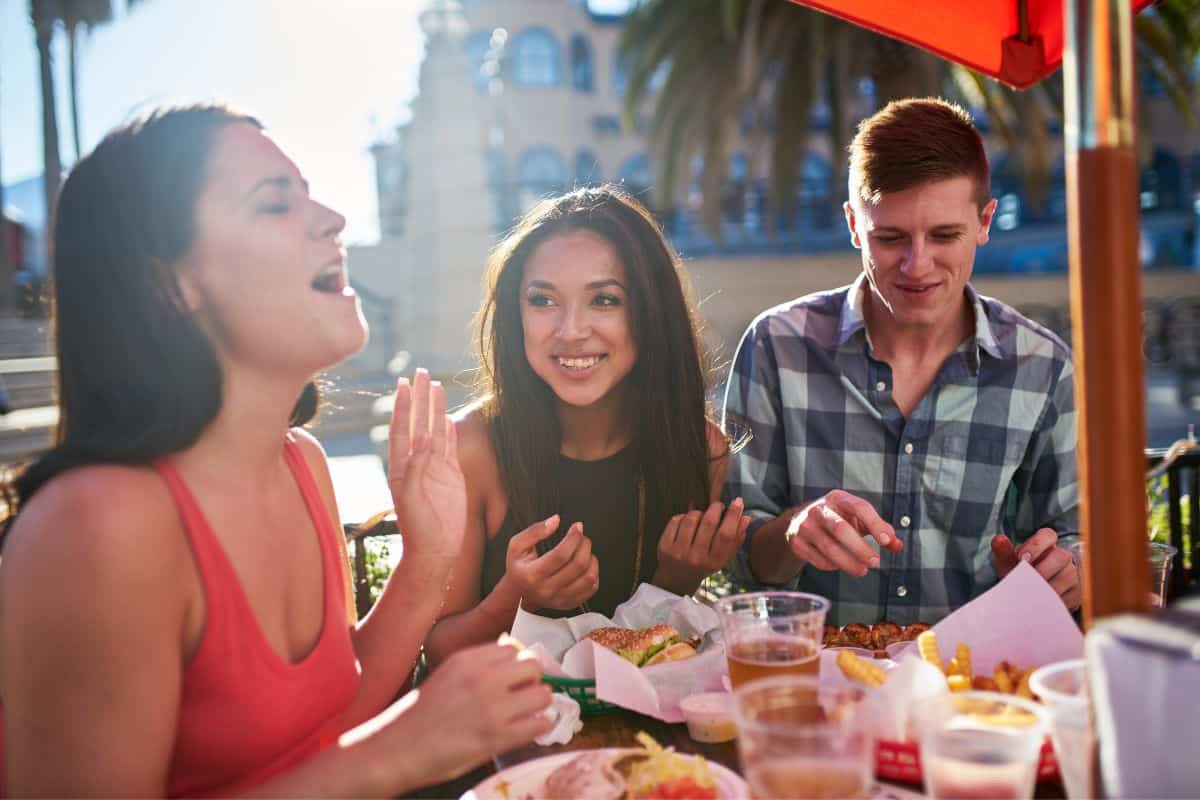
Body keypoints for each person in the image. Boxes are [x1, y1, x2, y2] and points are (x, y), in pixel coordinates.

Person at [0, 105, 552, 797]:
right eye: (274, 204)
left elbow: (323, 722)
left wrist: (429, 558)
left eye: (309, 192)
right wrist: (399, 753)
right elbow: (354, 761)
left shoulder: (301, 463)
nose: (331, 220)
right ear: (170, 283)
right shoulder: (97, 525)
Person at [723, 98, 1081, 626]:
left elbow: (1075, 537)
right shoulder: (776, 346)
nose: (917, 265)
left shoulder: (1043, 366)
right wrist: (794, 531)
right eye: (889, 238)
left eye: (944, 235)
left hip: (978, 688)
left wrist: (1067, 568)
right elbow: (739, 559)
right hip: (820, 688)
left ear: (984, 221)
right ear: (852, 224)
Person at [424, 187, 747, 663]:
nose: (571, 330)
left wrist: (675, 584)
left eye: (604, 300)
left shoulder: (700, 448)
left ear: (650, 312)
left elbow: (644, 653)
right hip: (505, 729)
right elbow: (436, 652)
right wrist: (516, 599)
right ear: (516, 314)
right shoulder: (468, 448)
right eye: (543, 300)